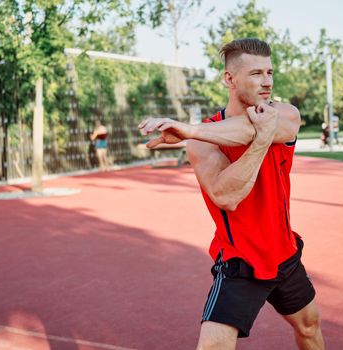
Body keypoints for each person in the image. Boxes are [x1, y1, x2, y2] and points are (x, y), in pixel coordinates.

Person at [138, 38, 324, 350]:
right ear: (229, 79)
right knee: (213, 346)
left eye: (270, 72)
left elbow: (251, 128)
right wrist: (261, 142)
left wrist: (190, 129)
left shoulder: (284, 114)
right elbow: (227, 197)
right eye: (255, 74)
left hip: (285, 252)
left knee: (309, 326)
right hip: (242, 260)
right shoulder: (203, 142)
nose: (267, 82)